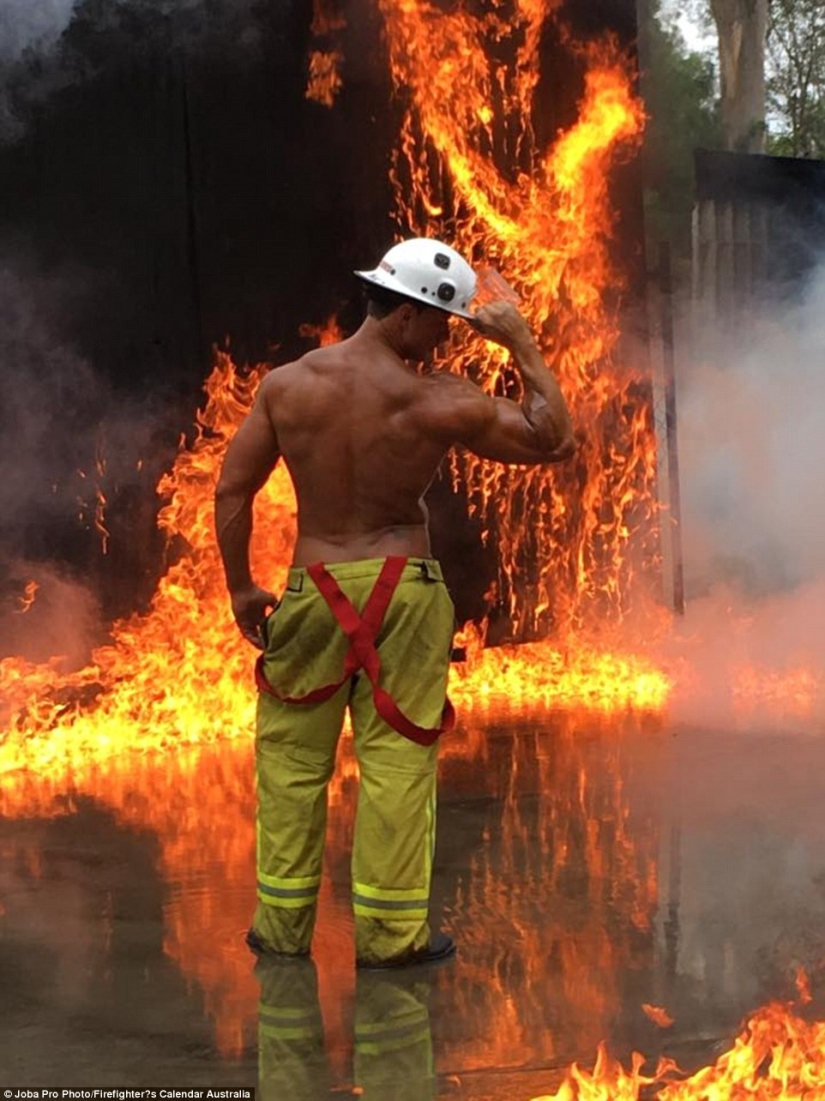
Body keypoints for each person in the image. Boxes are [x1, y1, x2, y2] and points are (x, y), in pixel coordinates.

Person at [214, 237, 575, 969]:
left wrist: (240, 587)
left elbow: (230, 491)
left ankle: (280, 933)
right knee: (397, 762)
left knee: (290, 761)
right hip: (402, 593)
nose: (441, 339)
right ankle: (390, 938)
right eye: (441, 324)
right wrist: (521, 345)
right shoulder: (434, 398)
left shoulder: (288, 385)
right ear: (408, 316)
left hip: (312, 589)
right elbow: (552, 439)